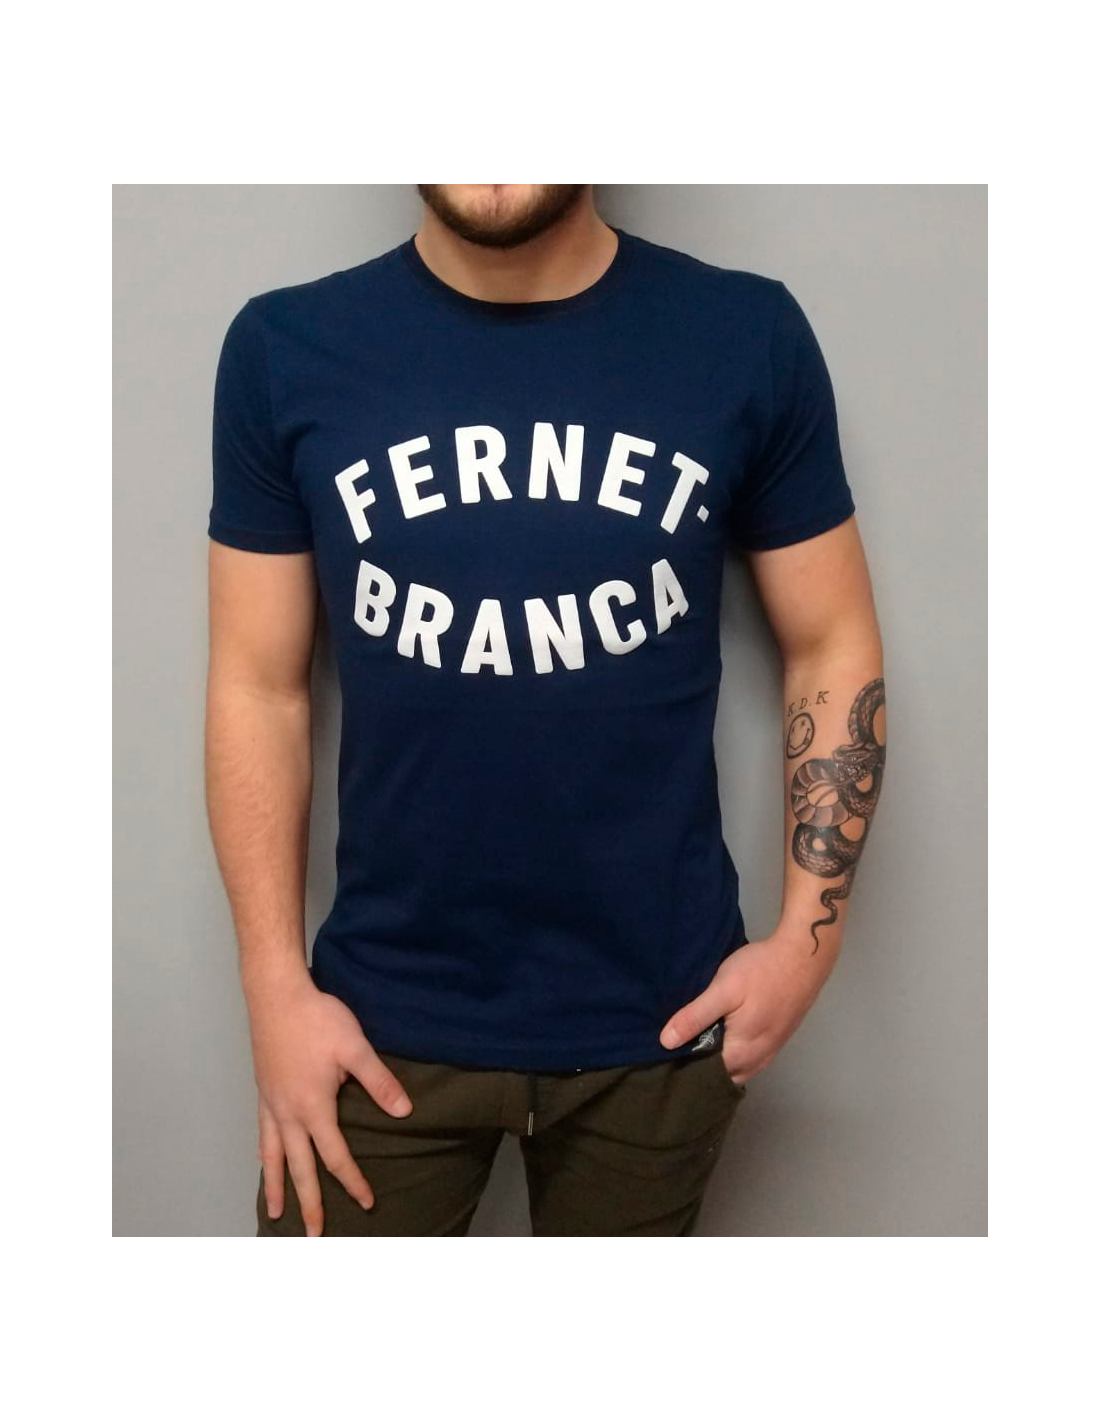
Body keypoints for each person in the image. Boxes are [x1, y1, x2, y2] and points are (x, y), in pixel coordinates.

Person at [205, 184, 886, 1237]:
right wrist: (271, 989)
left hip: (662, 1024)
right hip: (374, 1021)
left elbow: (829, 642)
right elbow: (258, 687)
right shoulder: (284, 348)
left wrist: (808, 941)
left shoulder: (744, 335)